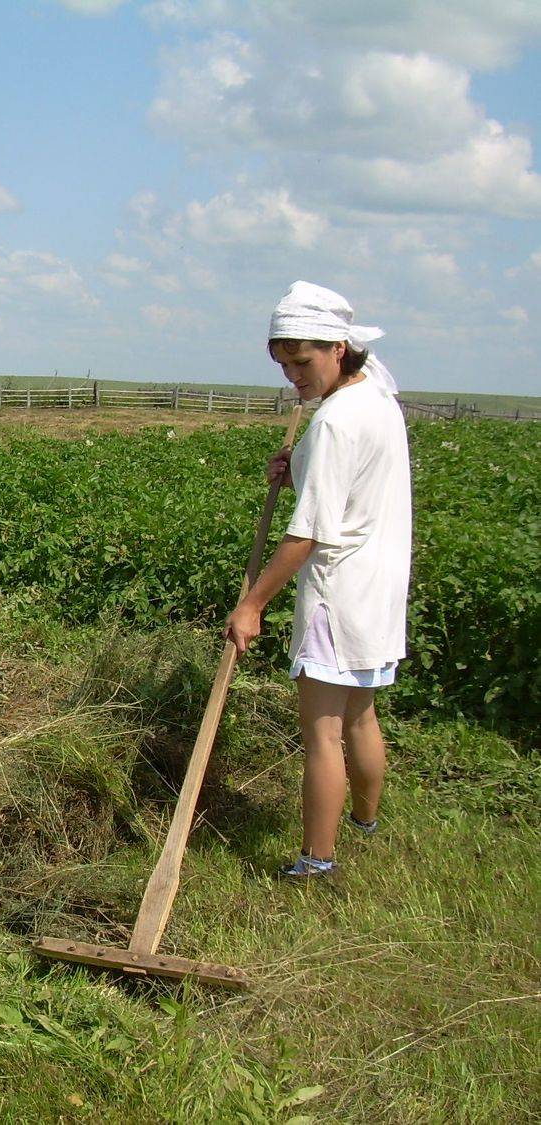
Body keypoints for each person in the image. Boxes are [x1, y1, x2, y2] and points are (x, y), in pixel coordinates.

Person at [225, 282, 411, 878]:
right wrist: (297, 469)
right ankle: (366, 825)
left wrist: (253, 604)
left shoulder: (334, 421)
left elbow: (308, 534)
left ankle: (317, 860)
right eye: (285, 367)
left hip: (339, 593)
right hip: (380, 586)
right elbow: (349, 482)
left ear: (338, 347)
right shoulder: (375, 394)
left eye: (303, 363)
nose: (294, 378)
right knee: (360, 716)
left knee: (323, 733)